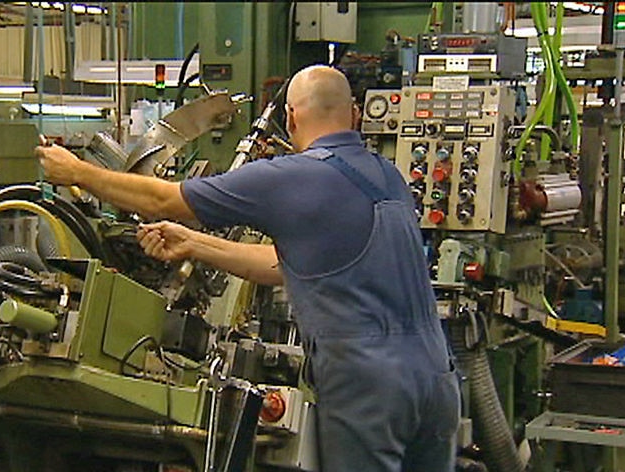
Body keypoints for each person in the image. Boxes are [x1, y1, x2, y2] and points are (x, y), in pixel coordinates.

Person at [37, 64, 460, 472]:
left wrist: (78, 172)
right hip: (437, 381)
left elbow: (163, 201)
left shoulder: (293, 177)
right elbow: (286, 264)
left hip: (369, 388)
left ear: (291, 118)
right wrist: (195, 244)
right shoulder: (389, 177)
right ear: (354, 115)